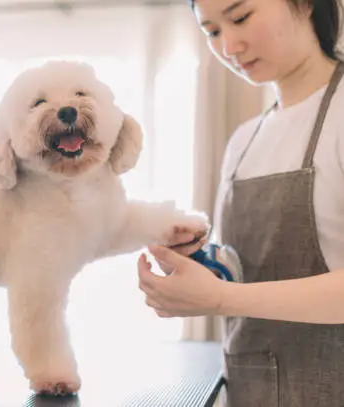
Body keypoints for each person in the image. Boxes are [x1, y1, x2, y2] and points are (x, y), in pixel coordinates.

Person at [136, 0, 344, 406]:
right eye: (212, 32)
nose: (229, 46)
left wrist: (218, 298)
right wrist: (200, 260)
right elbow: (249, 269)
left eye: (241, 17)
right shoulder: (244, 140)